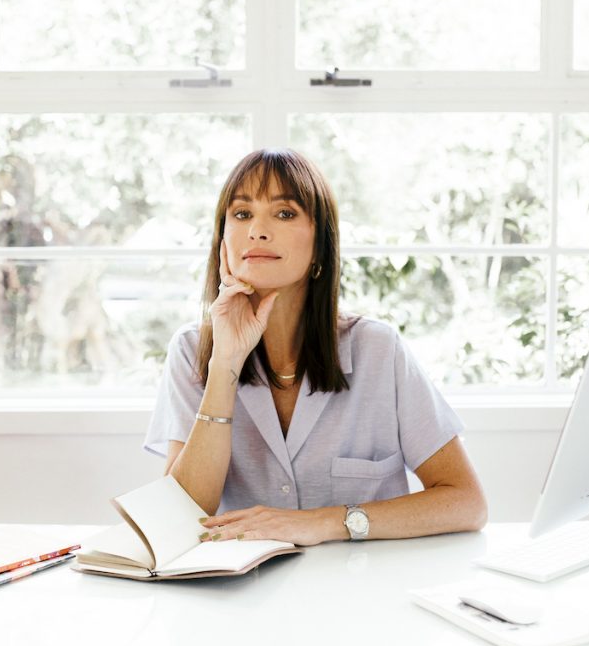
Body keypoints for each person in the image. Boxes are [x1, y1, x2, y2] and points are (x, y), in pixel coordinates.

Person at [144, 148, 487, 545]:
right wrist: (225, 363)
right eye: (242, 214)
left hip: (364, 588)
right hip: (239, 595)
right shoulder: (192, 351)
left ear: (320, 246)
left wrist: (324, 522)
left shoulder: (378, 349)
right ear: (223, 241)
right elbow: (179, 517)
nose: (257, 229)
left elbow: (466, 502)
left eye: (284, 213)